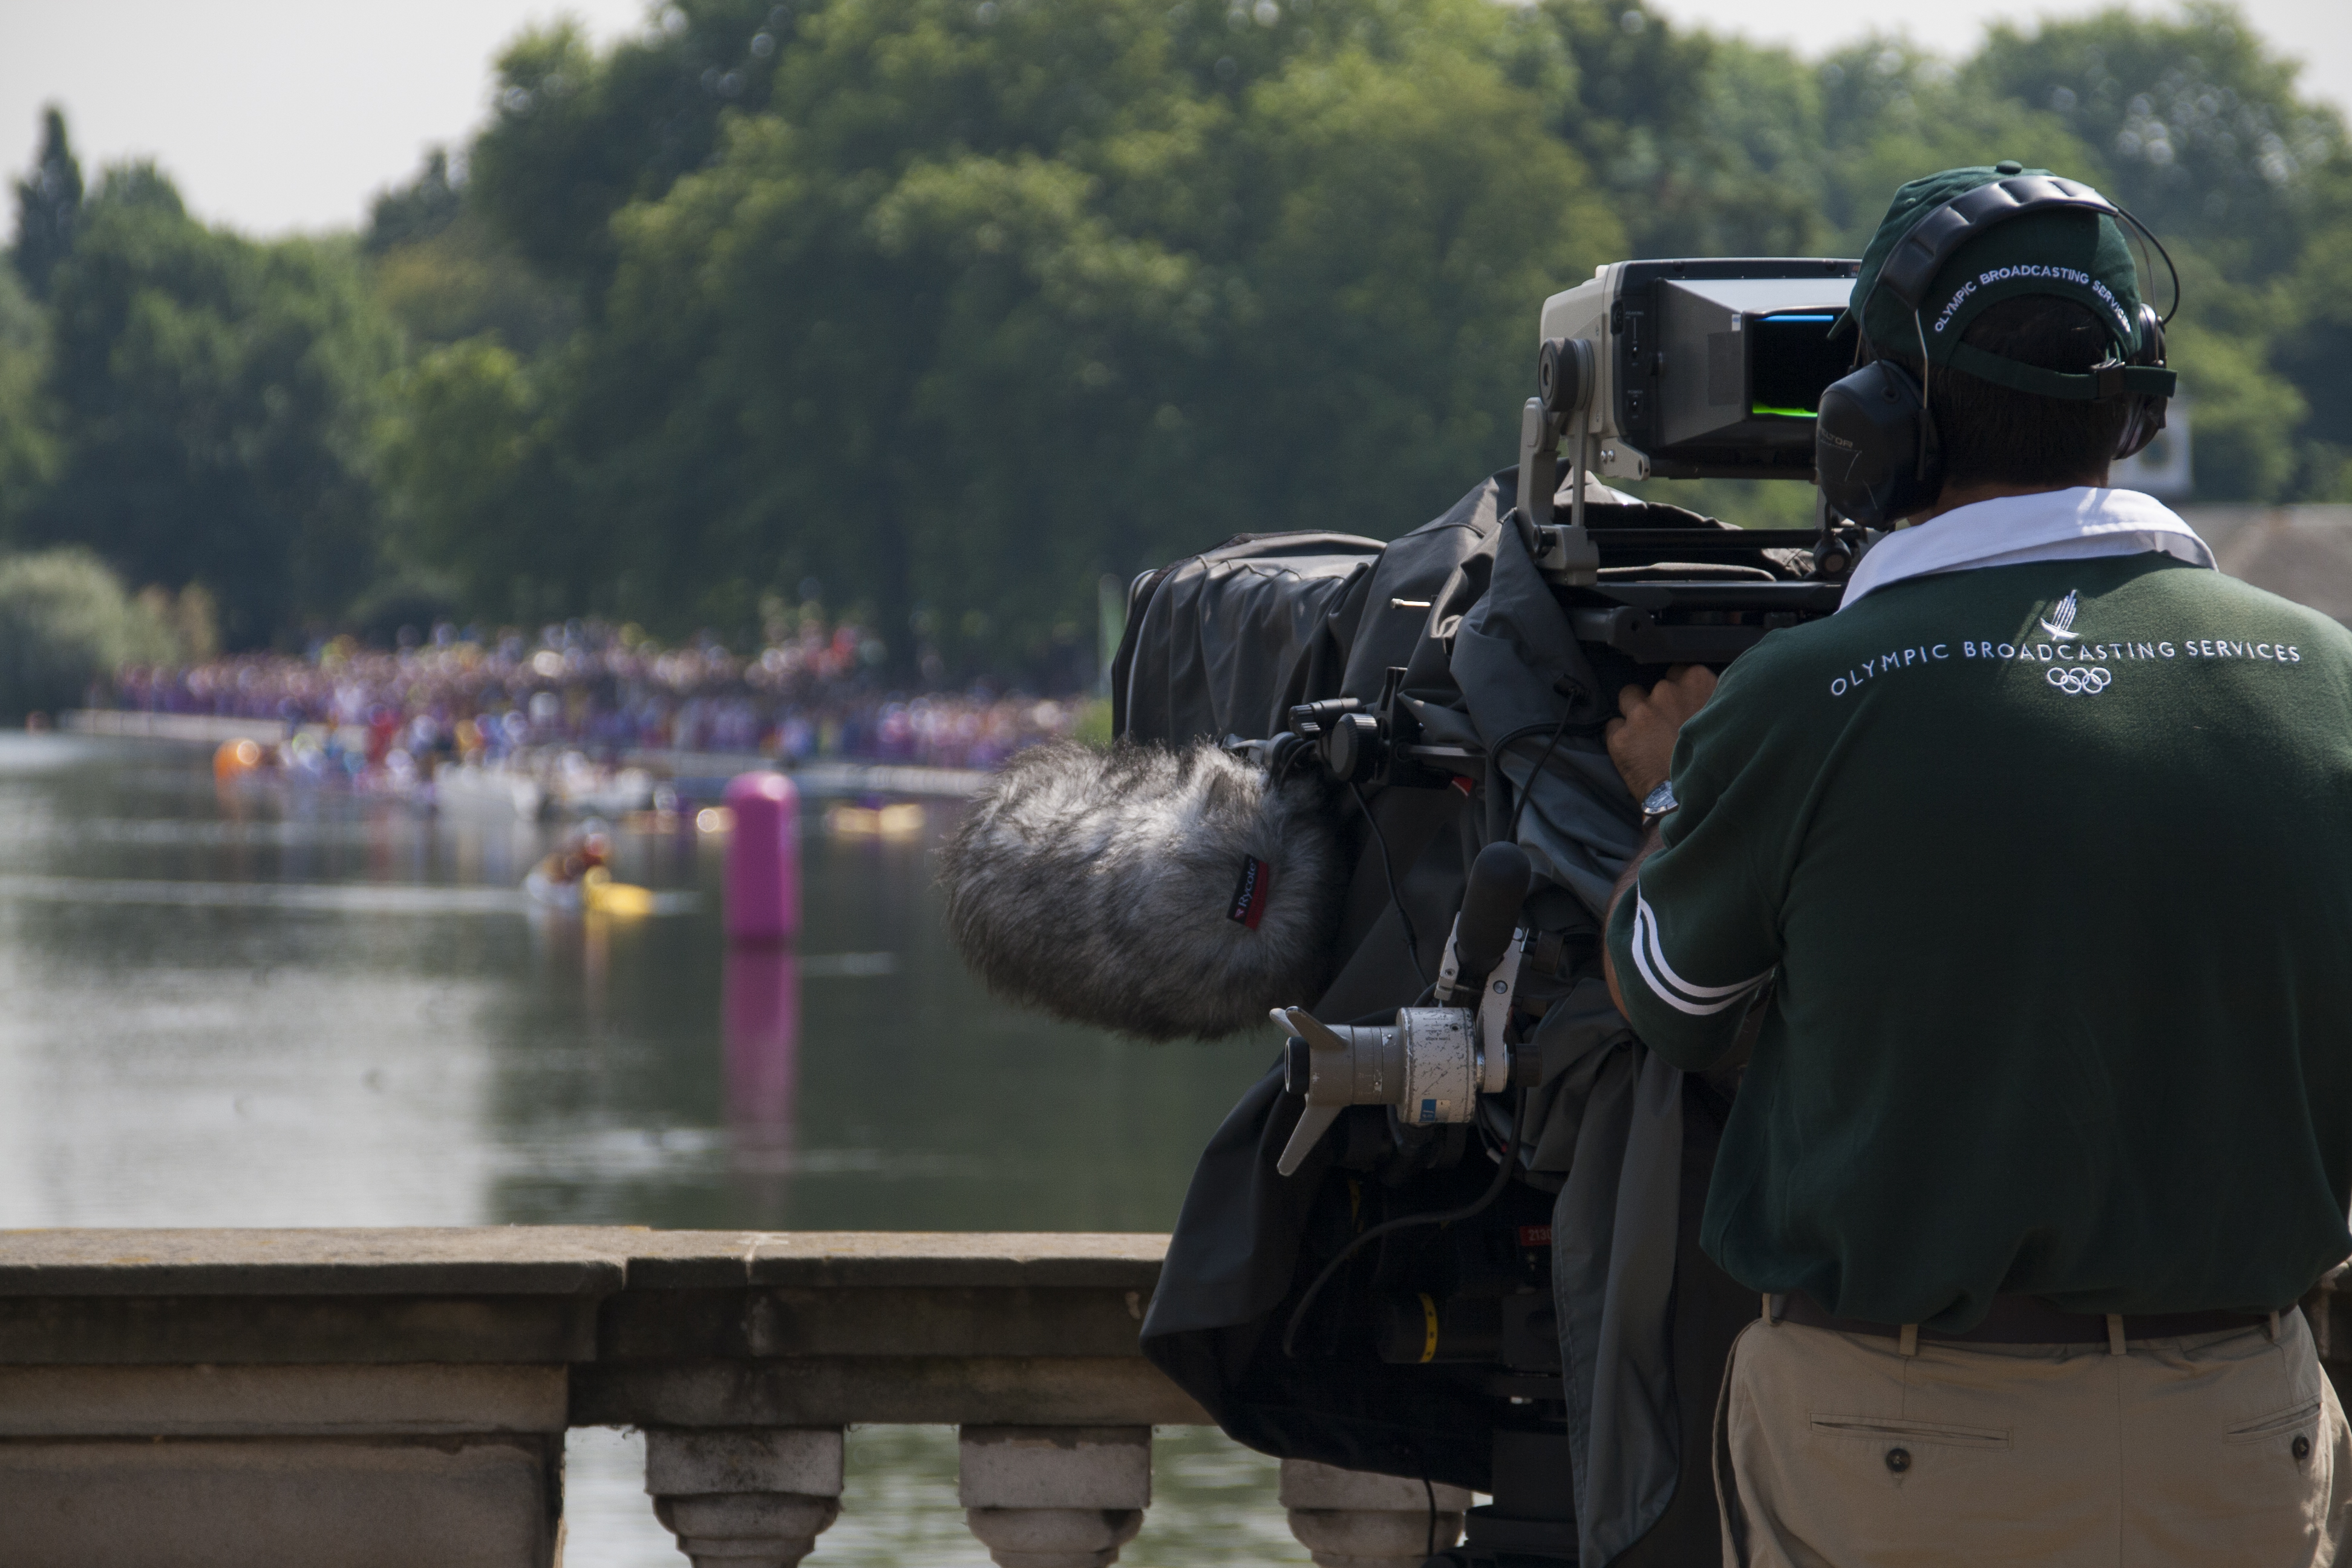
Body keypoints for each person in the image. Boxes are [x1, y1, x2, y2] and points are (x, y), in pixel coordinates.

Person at [1599, 163, 2352, 1566]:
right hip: (2248, 1439)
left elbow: (1670, 997)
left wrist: (1673, 789)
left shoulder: (1804, 699)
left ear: (1875, 423)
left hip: (1898, 1447)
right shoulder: (2333, 680)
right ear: (2137, 407)